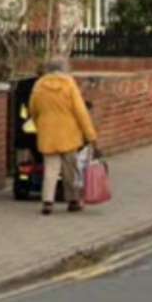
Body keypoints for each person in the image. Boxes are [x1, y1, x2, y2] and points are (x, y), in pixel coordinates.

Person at [28, 56, 98, 215]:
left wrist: (40, 124)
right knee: (70, 170)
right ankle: (73, 200)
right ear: (65, 68)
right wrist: (90, 135)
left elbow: (33, 108)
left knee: (50, 169)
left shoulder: (39, 85)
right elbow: (81, 112)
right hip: (69, 134)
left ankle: (47, 201)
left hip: (48, 134)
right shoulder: (69, 85)